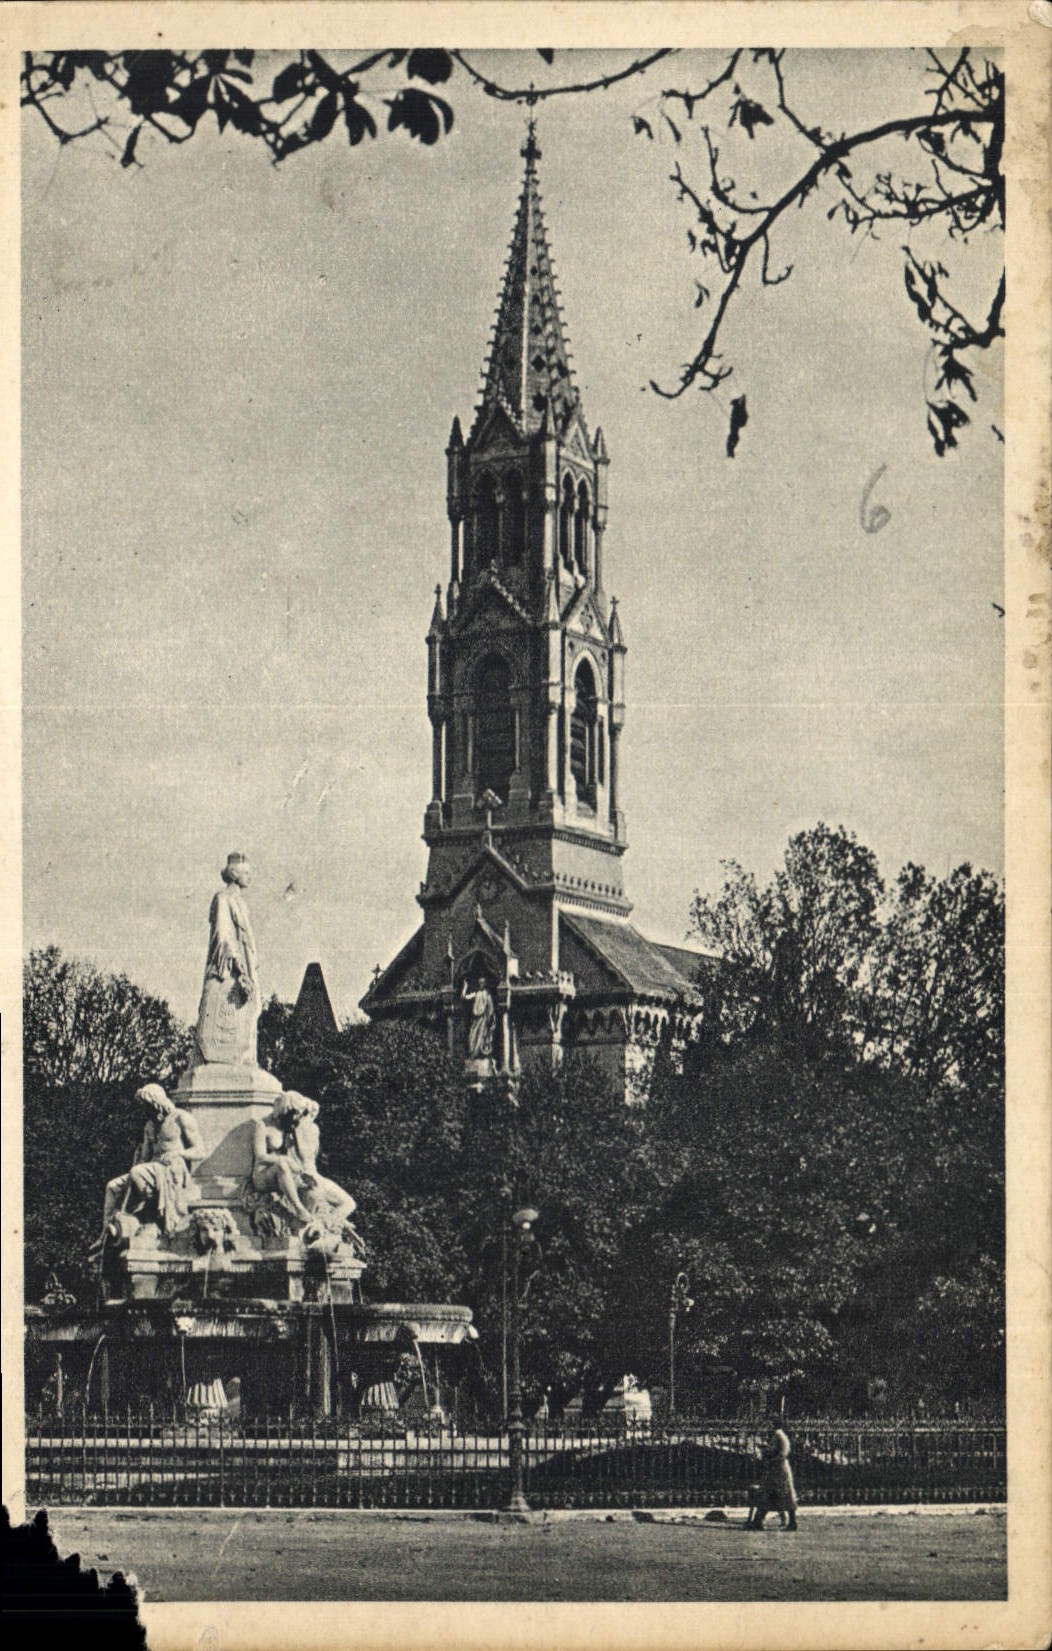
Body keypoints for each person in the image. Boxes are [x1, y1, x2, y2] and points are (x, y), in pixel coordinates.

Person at [92, 1084, 204, 1253]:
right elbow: (144, 1159)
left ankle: (141, 1216)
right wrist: (136, 1164)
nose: (145, 1111)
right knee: (112, 1187)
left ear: (157, 1103)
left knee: (137, 1173)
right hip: (150, 1170)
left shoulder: (180, 1118)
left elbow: (200, 1151)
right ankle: (104, 1235)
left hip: (170, 1170)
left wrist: (178, 1153)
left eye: (147, 1106)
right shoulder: (150, 1126)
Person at [192, 852, 262, 1066]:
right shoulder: (223, 898)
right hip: (228, 968)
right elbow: (222, 934)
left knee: (252, 1009)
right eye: (246, 872)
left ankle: (245, 1057)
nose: (249, 876)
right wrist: (237, 964)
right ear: (234, 873)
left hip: (246, 967)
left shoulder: (241, 902)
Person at [751, 1415, 799, 1531]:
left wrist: (767, 1455)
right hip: (775, 1470)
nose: (767, 1427)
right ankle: (759, 1521)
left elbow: (782, 1452)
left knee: (779, 1495)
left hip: (779, 1470)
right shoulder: (777, 1436)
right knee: (772, 1495)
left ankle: (760, 1521)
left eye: (769, 1424)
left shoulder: (779, 1436)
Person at [462, 974, 496, 1059]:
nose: (481, 984)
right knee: (472, 1035)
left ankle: (478, 1053)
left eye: (482, 983)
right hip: (475, 1019)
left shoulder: (487, 995)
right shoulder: (476, 994)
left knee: (481, 1036)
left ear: (485, 984)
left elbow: (490, 1008)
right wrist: (465, 987)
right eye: (479, 983)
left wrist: (490, 1018)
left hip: (483, 1019)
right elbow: (464, 997)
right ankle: (472, 1052)